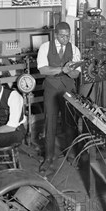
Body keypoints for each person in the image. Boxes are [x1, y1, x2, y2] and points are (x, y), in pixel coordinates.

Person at [37, 21, 81, 176]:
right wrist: (62, 69)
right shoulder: (45, 47)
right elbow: (43, 69)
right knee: (50, 123)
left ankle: (71, 153)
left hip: (68, 89)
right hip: (51, 89)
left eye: (68, 36)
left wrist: (71, 70)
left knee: (70, 122)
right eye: (62, 36)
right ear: (55, 35)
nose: (65, 39)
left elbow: (77, 73)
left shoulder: (74, 49)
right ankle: (48, 158)